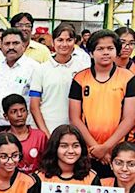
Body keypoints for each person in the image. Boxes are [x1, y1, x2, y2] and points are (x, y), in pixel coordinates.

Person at [69, 29, 135, 178]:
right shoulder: (80, 78)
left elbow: (130, 118)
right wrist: (96, 148)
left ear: (116, 51)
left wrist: (107, 147)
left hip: (119, 150)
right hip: (88, 151)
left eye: (110, 48)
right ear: (91, 53)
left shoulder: (128, 78)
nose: (105, 52)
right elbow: (75, 118)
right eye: (100, 49)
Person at [30, 24, 90, 137]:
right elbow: (34, 106)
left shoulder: (83, 68)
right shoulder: (41, 69)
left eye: (69, 40)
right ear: (53, 42)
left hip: (75, 130)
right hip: (48, 127)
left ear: (75, 42)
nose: (64, 44)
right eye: (60, 40)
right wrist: (45, 134)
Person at [0, 28, 39, 133]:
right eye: (7, 44)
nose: (11, 47)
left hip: (23, 127)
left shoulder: (34, 68)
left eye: (15, 43)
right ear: (1, 46)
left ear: (24, 45)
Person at [34, 124, 101, 186]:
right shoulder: (40, 178)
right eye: (64, 146)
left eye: (76, 146)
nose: (71, 151)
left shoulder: (91, 177)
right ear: (54, 148)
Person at [2, 94, 48, 174]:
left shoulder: (40, 136)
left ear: (27, 112)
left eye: (23, 110)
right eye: (14, 112)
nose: (19, 115)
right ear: (6, 116)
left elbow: (47, 163)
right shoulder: (1, 138)